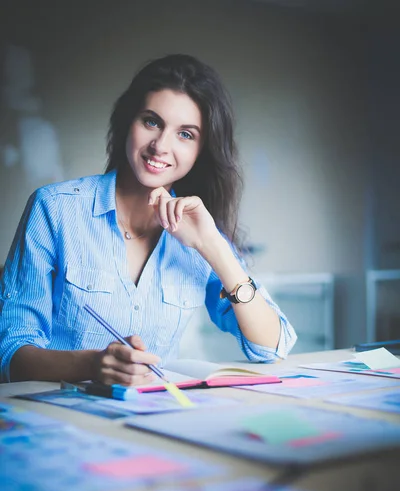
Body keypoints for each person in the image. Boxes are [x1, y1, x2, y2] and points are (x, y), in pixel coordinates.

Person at [0, 54, 296, 385]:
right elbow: (10, 354)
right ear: (128, 121)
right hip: (55, 419)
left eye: (186, 134)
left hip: (150, 418)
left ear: (202, 151)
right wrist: (92, 366)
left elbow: (272, 347)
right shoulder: (54, 209)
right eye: (152, 122)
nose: (160, 146)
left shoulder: (198, 231)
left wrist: (213, 245)